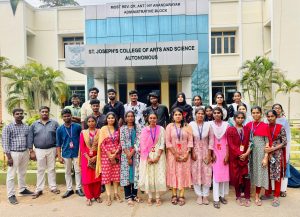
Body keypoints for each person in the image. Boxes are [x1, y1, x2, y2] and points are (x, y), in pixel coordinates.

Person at [2, 108, 34, 204]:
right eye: (17, 114)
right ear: (13, 115)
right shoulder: (8, 127)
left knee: (22, 172)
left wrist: (30, 151)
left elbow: (29, 140)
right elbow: (5, 142)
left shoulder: (26, 127)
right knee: (11, 175)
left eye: (21, 113)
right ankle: (11, 195)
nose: (19, 115)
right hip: (13, 153)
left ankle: (22, 189)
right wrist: (9, 157)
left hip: (24, 153)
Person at [28, 106, 60, 199]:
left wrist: (58, 151)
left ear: (48, 113)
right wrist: (31, 151)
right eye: (43, 112)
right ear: (40, 113)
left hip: (52, 149)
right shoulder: (34, 124)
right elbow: (30, 138)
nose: (44, 113)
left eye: (46, 112)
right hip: (39, 150)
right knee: (40, 169)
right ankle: (39, 189)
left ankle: (53, 187)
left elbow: (58, 137)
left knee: (51, 168)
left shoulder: (54, 123)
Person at [166, 108, 193, 206]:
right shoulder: (170, 126)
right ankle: (174, 194)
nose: (178, 116)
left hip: (185, 154)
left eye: (179, 114)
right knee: (174, 173)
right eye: (176, 114)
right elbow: (167, 142)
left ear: (183, 116)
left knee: (183, 173)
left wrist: (187, 153)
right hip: (173, 155)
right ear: (173, 116)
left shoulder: (187, 126)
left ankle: (181, 195)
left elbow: (190, 141)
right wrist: (175, 154)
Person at [139, 112, 167, 206]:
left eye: (154, 118)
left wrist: (158, 156)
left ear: (157, 119)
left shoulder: (161, 129)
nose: (152, 120)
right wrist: (148, 158)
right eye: (150, 118)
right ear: (148, 119)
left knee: (158, 176)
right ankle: (150, 197)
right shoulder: (144, 130)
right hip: (148, 156)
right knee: (149, 176)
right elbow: (142, 145)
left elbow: (163, 142)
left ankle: (158, 197)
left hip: (159, 155)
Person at [246, 106, 271, 206]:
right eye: (253, 112)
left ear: (261, 114)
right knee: (250, 172)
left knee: (259, 173)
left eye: (257, 112)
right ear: (251, 114)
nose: (255, 114)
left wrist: (265, 157)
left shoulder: (265, 126)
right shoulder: (248, 125)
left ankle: (257, 195)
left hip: (260, 152)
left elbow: (267, 142)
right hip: (250, 151)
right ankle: (248, 193)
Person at [56, 109, 84, 198]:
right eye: (64, 116)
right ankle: (69, 189)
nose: (67, 117)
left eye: (68, 116)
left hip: (77, 152)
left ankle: (78, 188)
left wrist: (82, 152)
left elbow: (82, 140)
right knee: (67, 171)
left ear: (71, 116)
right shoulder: (59, 129)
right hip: (66, 152)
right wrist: (59, 156)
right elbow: (58, 143)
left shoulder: (77, 126)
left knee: (78, 171)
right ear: (62, 117)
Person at [262, 110, 287, 207]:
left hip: (277, 154)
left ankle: (276, 196)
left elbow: (284, 142)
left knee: (277, 175)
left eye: (272, 116)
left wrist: (273, 148)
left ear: (276, 117)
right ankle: (268, 193)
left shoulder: (281, 128)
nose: (270, 118)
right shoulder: (265, 127)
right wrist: (267, 149)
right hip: (266, 153)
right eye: (268, 116)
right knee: (266, 173)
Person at [189, 108, 213, 205]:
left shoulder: (208, 125)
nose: (200, 115)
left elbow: (211, 140)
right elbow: (190, 139)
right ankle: (199, 195)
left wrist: (209, 154)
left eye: (202, 114)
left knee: (207, 173)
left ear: (204, 115)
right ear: (195, 114)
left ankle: (206, 195)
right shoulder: (191, 125)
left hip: (206, 152)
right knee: (196, 173)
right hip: (195, 152)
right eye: (198, 113)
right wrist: (191, 152)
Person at [227, 111, 251, 207]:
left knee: (246, 177)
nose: (240, 119)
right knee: (236, 178)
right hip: (235, 158)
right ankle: (238, 196)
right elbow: (230, 144)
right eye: (238, 118)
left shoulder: (247, 129)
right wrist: (240, 154)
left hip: (245, 157)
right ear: (234, 119)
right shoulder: (230, 130)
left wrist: (245, 154)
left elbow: (251, 142)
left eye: (242, 118)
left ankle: (247, 197)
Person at [98, 112, 122, 206]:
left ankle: (116, 193)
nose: (111, 119)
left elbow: (120, 142)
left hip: (116, 154)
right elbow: (101, 144)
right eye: (109, 118)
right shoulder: (103, 129)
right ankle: (108, 195)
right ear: (106, 119)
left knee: (116, 175)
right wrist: (108, 153)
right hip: (105, 156)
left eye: (112, 118)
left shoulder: (118, 128)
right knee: (107, 176)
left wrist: (116, 152)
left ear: (115, 119)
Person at [120, 111, 143, 206]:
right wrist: (128, 155)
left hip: (136, 154)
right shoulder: (122, 128)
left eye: (132, 116)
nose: (130, 118)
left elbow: (139, 140)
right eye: (128, 116)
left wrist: (133, 152)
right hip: (125, 155)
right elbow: (122, 141)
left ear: (134, 117)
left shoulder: (138, 127)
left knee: (135, 175)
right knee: (126, 175)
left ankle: (134, 195)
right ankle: (128, 196)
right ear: (125, 118)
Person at [80, 116, 102, 206]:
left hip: (98, 156)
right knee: (87, 178)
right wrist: (89, 158)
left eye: (93, 121)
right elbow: (82, 146)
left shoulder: (100, 132)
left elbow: (102, 144)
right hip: (86, 158)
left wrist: (96, 156)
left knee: (97, 177)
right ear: (86, 123)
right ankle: (88, 197)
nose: (91, 123)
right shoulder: (83, 133)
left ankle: (97, 195)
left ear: (96, 122)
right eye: (89, 121)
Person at [210, 107, 230, 209]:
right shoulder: (210, 124)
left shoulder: (226, 125)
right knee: (216, 176)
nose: (217, 114)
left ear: (222, 114)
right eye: (215, 113)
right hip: (215, 152)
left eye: (219, 113)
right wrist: (212, 153)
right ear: (212, 114)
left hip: (224, 151)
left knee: (224, 176)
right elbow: (210, 140)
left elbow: (228, 140)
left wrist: (227, 155)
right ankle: (216, 199)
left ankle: (222, 196)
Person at [272, 103, 291, 197]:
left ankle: (283, 189)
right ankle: (273, 189)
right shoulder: (269, 119)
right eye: (275, 108)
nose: (277, 109)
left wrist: (287, 149)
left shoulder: (284, 121)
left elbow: (288, 136)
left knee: (284, 168)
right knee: (273, 168)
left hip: (283, 148)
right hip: (272, 149)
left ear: (281, 110)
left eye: (278, 108)